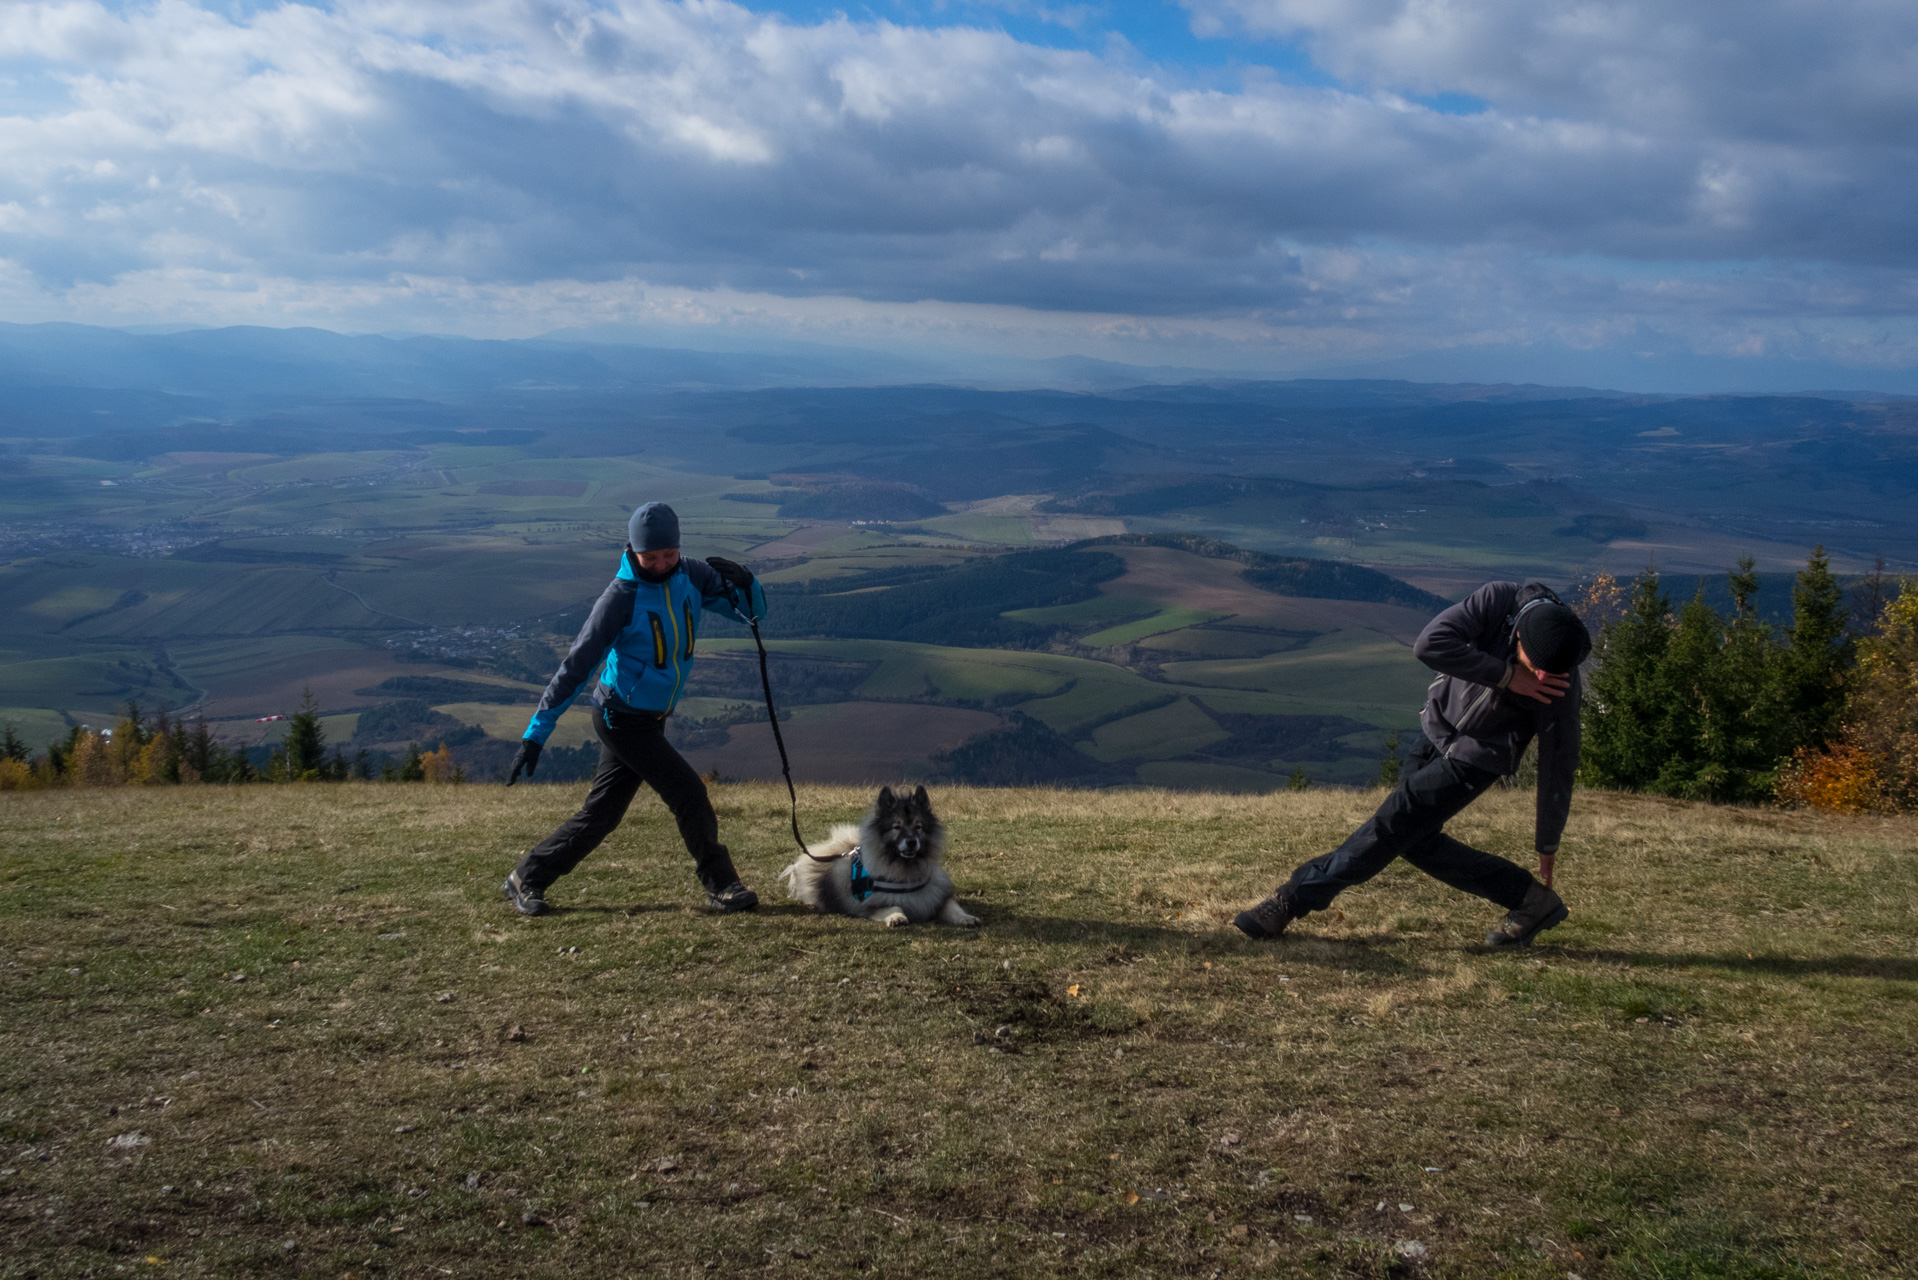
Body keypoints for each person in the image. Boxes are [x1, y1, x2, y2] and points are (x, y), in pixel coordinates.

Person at [1234, 580, 1591, 948]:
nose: (1547, 678)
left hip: (1477, 761)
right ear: (1518, 639)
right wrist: (1506, 675)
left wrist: (1547, 840)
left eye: (1557, 671)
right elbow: (1430, 644)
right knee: (1411, 838)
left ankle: (1288, 902)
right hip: (1435, 734)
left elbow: (1560, 758)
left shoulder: (1560, 677)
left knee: (1392, 825)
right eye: (1538, 667)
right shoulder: (1499, 601)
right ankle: (1530, 899)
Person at [500, 502, 767, 917]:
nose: (661, 564)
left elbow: (752, 615)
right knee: (689, 793)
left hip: (652, 718)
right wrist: (535, 734)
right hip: (619, 717)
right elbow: (575, 668)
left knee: (602, 814)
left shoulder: (691, 574)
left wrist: (748, 584)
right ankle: (722, 885)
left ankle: (526, 877)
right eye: (651, 557)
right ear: (633, 550)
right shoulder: (619, 600)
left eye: (669, 554)